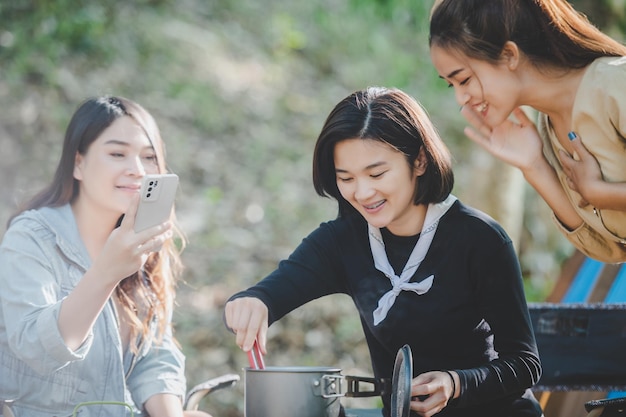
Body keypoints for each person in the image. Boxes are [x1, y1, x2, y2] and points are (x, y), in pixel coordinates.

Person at [224, 87, 542, 417]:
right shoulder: (343, 241)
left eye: (377, 174)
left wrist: (455, 383)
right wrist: (252, 304)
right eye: (345, 178)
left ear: (419, 160)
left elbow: (525, 364)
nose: (362, 192)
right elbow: (268, 294)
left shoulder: (480, 240)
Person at [0, 96, 210, 417]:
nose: (137, 170)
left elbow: (152, 354)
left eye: (149, 157)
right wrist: (105, 274)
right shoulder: (32, 238)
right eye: (117, 154)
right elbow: (35, 347)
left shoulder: (139, 240)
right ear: (78, 164)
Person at [429, 0, 626, 264]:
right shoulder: (549, 130)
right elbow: (610, 250)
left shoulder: (615, 84)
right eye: (451, 85)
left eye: (464, 79)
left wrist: (598, 192)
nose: (461, 98)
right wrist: (534, 166)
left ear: (509, 55)